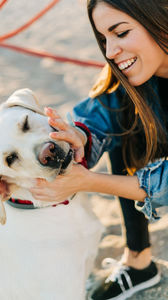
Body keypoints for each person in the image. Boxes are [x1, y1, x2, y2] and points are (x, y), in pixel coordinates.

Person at [29, 0, 168, 299]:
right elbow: (99, 113)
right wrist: (77, 136)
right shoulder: (134, 80)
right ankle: (138, 261)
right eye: (104, 39)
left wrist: (89, 182)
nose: (110, 52)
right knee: (125, 123)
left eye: (121, 33)